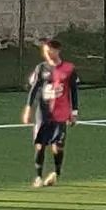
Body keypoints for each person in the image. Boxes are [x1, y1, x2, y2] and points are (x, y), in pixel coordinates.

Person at [23, 38, 80, 188]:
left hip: (61, 112)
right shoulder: (41, 68)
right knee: (40, 145)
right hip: (43, 113)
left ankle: (56, 172)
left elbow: (73, 91)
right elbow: (34, 89)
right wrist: (28, 108)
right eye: (45, 51)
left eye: (50, 51)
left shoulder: (68, 69)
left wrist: (74, 112)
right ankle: (38, 177)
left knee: (57, 146)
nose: (47, 54)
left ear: (57, 51)